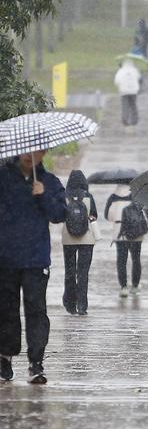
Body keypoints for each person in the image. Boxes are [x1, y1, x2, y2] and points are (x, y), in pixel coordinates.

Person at [0, 151, 66, 384]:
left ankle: (36, 362)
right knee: (7, 309)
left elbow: (60, 215)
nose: (31, 156)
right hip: (6, 257)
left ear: (44, 153)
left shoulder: (49, 182)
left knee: (36, 309)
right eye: (27, 151)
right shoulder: (4, 177)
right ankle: (5, 357)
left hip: (36, 259)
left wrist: (44, 195)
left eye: (36, 152)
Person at [61, 170, 97, 316]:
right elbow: (94, 216)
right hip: (86, 239)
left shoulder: (64, 197)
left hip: (68, 239)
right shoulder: (88, 197)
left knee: (69, 272)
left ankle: (70, 304)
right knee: (83, 273)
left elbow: (59, 214)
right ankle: (82, 305)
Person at [105, 184, 148, 297]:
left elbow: (108, 216)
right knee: (136, 259)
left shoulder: (113, 197)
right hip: (136, 233)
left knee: (121, 260)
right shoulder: (138, 196)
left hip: (120, 233)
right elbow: (146, 215)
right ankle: (135, 286)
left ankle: (123, 287)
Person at [114, 59, 141, 126]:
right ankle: (134, 120)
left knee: (125, 106)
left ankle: (125, 119)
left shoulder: (120, 71)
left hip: (124, 91)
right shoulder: (134, 70)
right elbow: (139, 78)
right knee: (133, 105)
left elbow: (117, 81)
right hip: (133, 91)